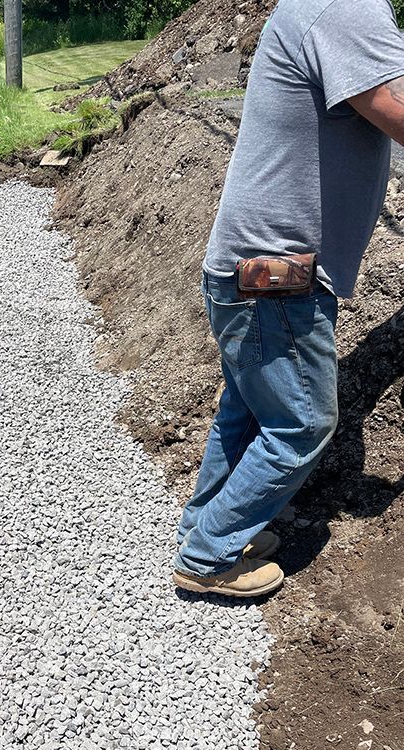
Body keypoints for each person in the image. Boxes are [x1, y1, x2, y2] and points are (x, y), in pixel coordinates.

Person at [173, 0, 404, 598]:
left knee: (247, 412)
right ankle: (208, 555)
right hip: (279, 278)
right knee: (303, 423)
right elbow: (397, 108)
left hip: (253, 272)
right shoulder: (346, 8)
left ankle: (206, 526)